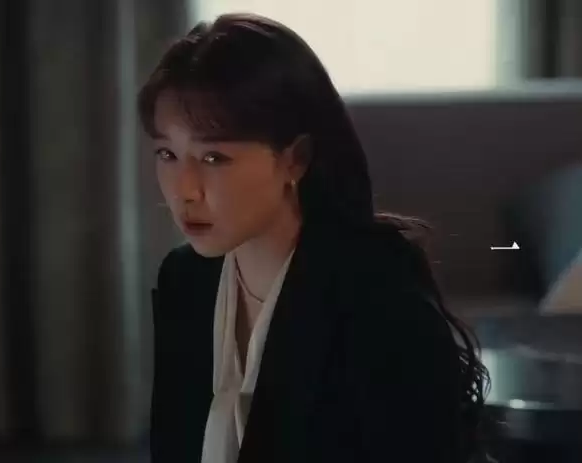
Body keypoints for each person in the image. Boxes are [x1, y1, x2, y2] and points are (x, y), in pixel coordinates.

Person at [140, 12, 489, 463]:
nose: (184, 190)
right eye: (167, 154)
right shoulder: (185, 279)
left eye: (213, 158)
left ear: (295, 159)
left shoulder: (375, 293)